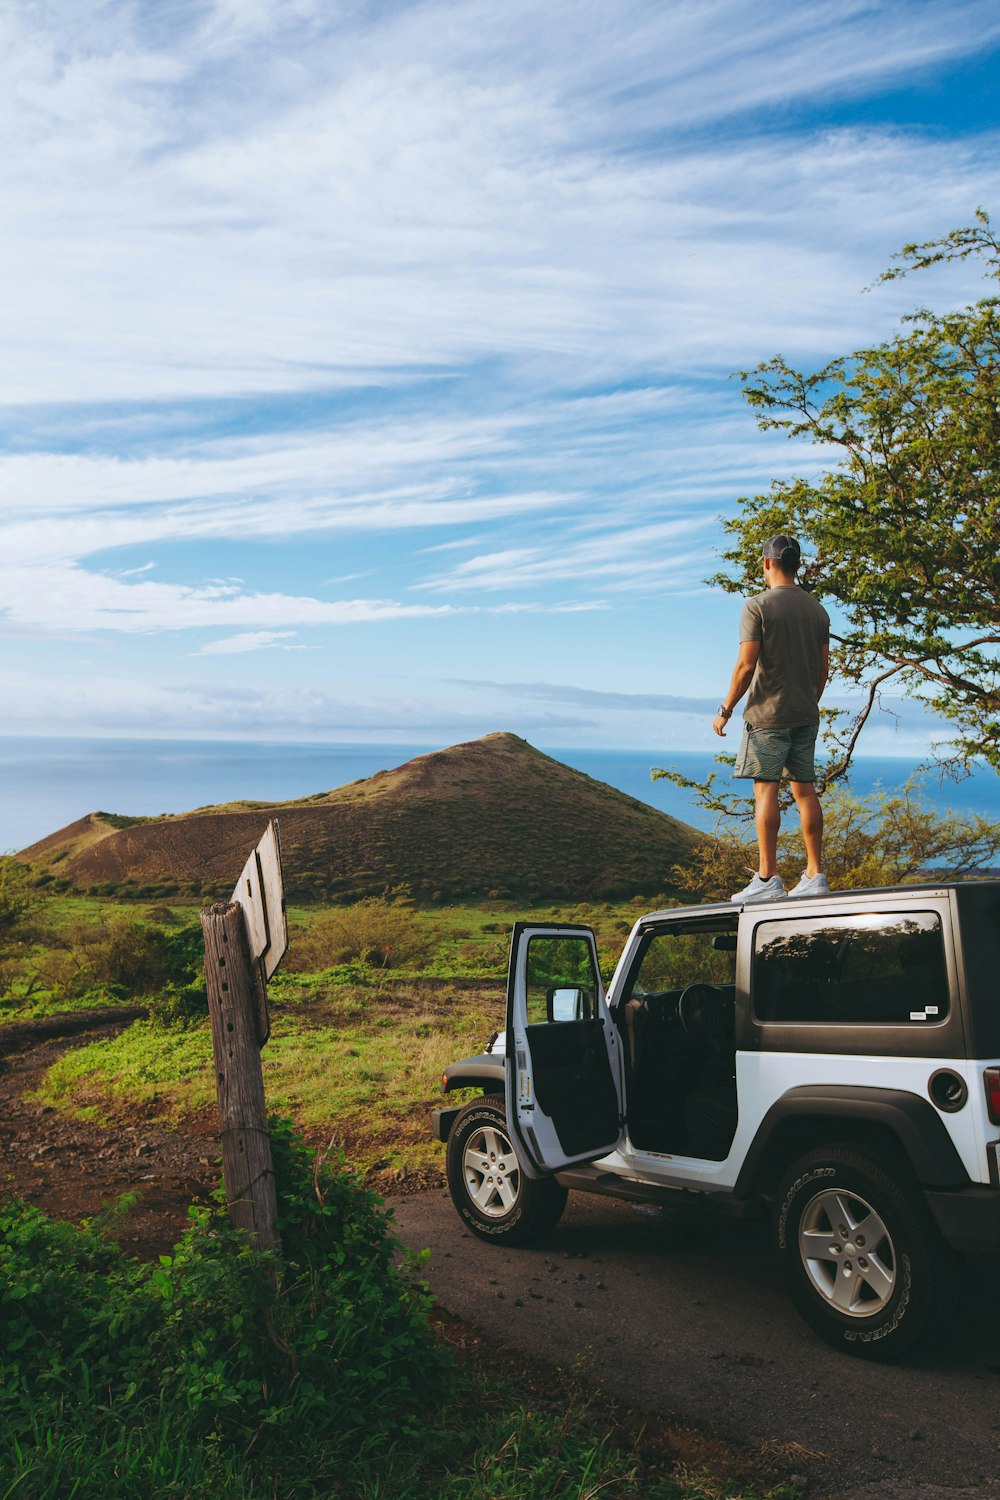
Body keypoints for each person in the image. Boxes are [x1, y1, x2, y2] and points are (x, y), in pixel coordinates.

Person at [712, 534, 831, 902]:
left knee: (766, 789)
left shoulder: (757, 606)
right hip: (805, 713)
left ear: (767, 563)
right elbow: (823, 669)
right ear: (797, 565)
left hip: (767, 715)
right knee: (805, 791)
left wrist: (725, 709)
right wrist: (809, 703)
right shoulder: (818, 610)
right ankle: (814, 874)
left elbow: (747, 665)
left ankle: (767, 879)